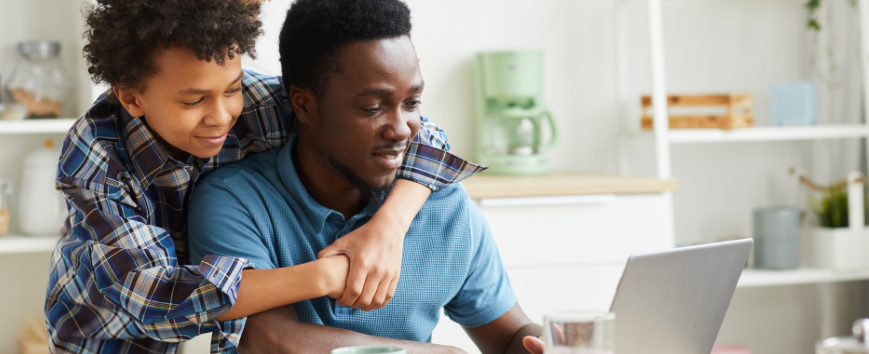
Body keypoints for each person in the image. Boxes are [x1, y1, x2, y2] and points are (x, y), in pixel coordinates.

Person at [44, 0, 484, 353]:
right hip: (108, 332)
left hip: (206, 323)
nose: (221, 116)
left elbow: (424, 137)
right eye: (194, 100)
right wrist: (329, 275)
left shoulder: (259, 102)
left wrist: (388, 227)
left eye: (231, 88)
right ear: (131, 96)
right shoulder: (96, 154)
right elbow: (153, 298)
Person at [187, 0, 546, 353]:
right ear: (304, 105)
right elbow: (272, 341)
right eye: (373, 108)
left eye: (412, 103)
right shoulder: (234, 200)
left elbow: (508, 336)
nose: (402, 130)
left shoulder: (445, 206)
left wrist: (546, 344)